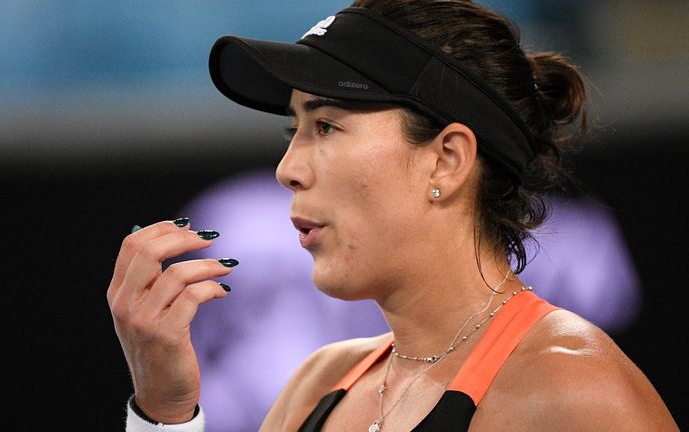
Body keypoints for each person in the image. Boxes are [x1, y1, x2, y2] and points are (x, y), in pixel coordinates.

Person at [107, 1, 680, 430]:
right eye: (294, 129)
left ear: (446, 160)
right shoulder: (317, 386)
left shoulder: (575, 392)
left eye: (326, 125)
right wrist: (166, 411)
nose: (287, 169)